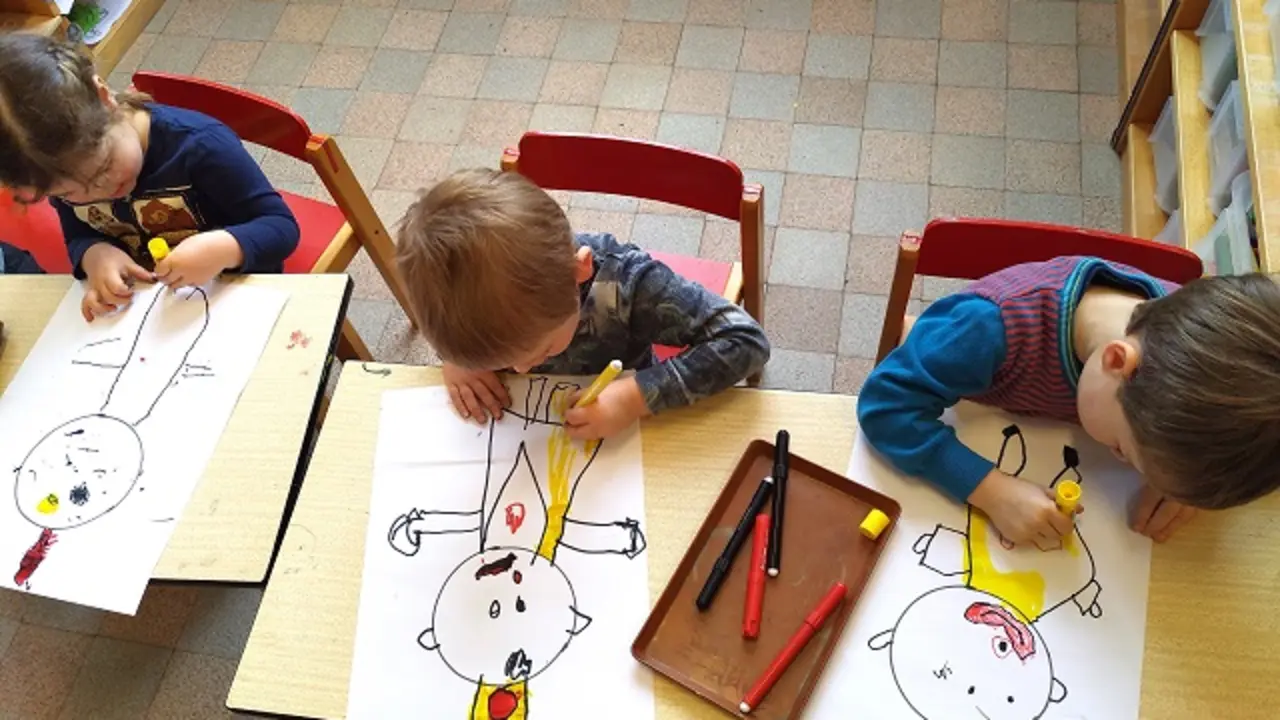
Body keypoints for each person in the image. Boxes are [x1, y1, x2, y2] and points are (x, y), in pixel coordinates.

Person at [858, 256, 1280, 548]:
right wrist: (990, 491)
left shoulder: (1189, 352)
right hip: (954, 377)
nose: (1119, 460)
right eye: (1123, 449)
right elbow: (885, 405)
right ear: (1116, 362)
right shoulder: (987, 328)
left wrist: (1181, 478)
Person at [395, 167, 770, 441]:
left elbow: (746, 340)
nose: (521, 369)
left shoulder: (627, 284)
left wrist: (635, 398)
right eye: (501, 361)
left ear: (580, 272)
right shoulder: (461, 293)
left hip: (631, 426)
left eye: (542, 350)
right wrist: (460, 360)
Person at [0, 34, 298, 321]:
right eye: (68, 194)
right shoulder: (57, 171)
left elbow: (280, 226)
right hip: (156, 308)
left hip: (241, 293)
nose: (101, 191)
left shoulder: (201, 146)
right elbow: (78, 233)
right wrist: (95, 254)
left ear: (104, 98)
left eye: (104, 167)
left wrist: (225, 248)